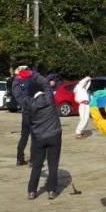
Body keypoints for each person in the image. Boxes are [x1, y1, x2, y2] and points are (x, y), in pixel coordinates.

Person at [16, 69, 64, 200]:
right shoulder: (49, 97)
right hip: (54, 135)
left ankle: (32, 191)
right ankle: (51, 191)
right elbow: (46, 84)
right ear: (41, 90)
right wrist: (33, 74)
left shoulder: (28, 104)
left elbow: (18, 95)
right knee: (53, 165)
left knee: (36, 165)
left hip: (39, 138)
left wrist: (17, 79)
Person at [12, 66, 32, 166]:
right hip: (33, 110)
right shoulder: (31, 80)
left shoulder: (16, 82)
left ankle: (20, 159)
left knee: (24, 136)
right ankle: (33, 160)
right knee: (35, 136)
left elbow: (17, 96)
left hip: (26, 111)